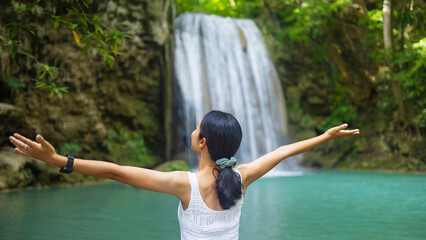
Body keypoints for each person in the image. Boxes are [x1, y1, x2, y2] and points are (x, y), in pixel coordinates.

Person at [9, 110, 359, 239]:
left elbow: (117, 172)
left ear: (203, 142)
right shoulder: (242, 177)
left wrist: (60, 161)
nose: (192, 131)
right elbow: (283, 152)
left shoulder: (183, 183)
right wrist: (323, 138)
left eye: (196, 128)